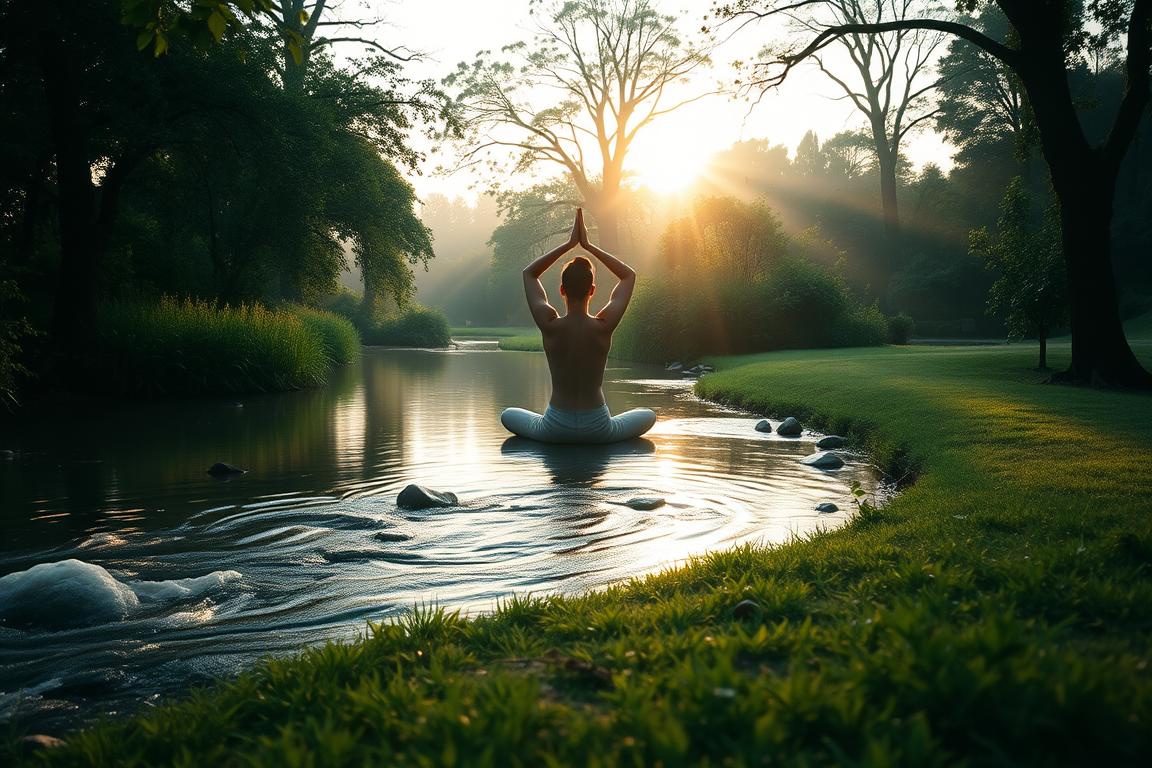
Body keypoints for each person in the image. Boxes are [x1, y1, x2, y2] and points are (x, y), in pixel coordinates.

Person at [500, 209, 656, 444]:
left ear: (562, 290)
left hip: (554, 429)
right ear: (592, 290)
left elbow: (529, 274)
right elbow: (628, 276)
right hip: (598, 430)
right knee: (648, 415)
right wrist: (588, 246)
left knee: (508, 415)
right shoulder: (603, 325)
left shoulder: (550, 324)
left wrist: (569, 244)